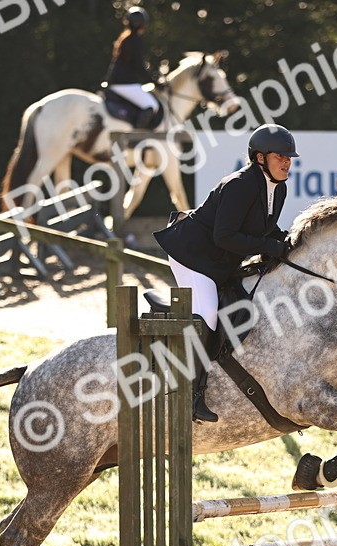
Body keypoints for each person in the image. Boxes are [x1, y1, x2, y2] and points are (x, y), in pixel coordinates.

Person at [154, 124, 298, 423]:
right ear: (260, 158)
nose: (287, 162)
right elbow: (225, 236)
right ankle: (190, 395)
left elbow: (264, 229)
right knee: (207, 313)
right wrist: (268, 246)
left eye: (289, 157)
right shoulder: (239, 184)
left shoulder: (278, 187)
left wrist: (288, 240)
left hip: (220, 261)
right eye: (280, 156)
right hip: (192, 256)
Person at [105, 6, 159, 129]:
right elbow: (139, 66)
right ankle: (136, 137)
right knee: (151, 105)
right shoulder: (135, 40)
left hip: (117, 82)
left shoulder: (125, 39)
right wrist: (155, 81)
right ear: (143, 25)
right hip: (125, 84)